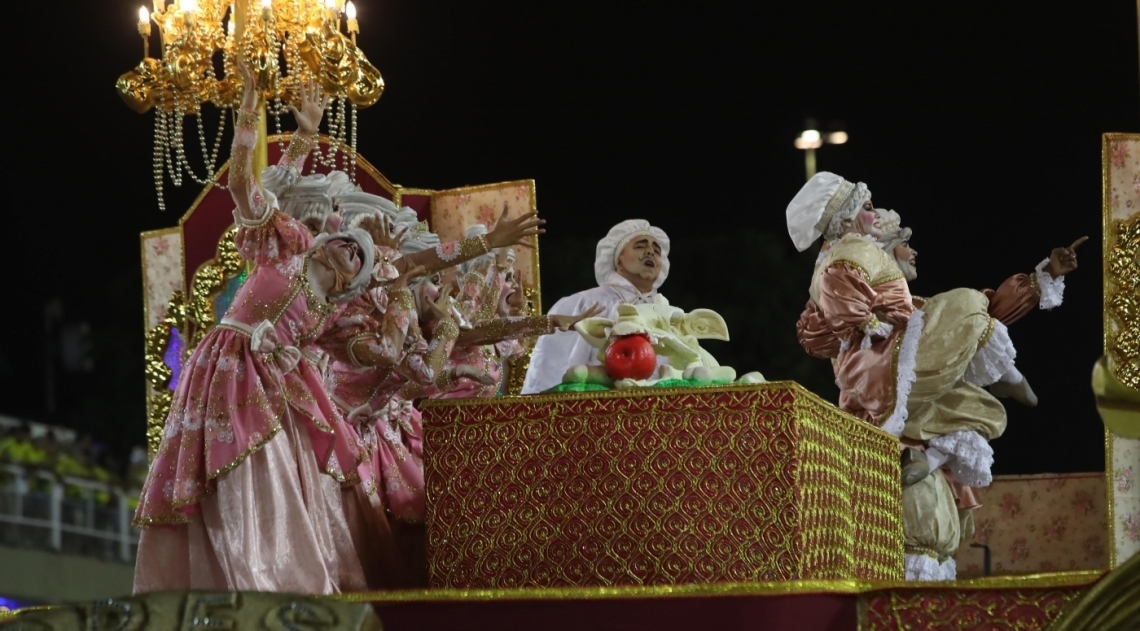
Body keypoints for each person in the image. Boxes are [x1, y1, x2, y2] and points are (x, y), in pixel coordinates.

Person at [133, 64, 376, 594]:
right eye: (348, 238)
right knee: (239, 474)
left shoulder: (328, 311)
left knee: (288, 479)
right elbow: (245, 182)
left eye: (362, 256)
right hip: (229, 369)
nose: (352, 247)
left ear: (352, 280)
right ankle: (244, 586)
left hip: (278, 391)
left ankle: (284, 587)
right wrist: (264, 110)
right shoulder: (283, 241)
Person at [522, 219, 671, 394]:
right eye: (640, 246)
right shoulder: (583, 304)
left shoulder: (667, 314)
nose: (650, 252)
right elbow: (551, 376)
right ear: (618, 259)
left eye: (656, 250)